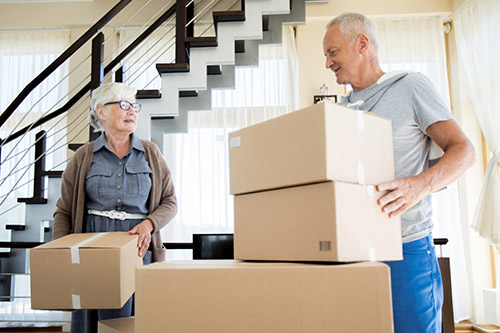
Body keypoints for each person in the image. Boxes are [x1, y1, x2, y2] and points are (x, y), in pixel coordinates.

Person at [323, 13, 475, 332]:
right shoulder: (338, 110)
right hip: (353, 251)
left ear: (362, 44)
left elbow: (464, 151)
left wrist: (417, 187)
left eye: (332, 52)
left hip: (406, 249)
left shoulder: (410, 87)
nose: (327, 63)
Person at [53, 82, 177, 333]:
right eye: (123, 105)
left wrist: (149, 224)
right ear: (101, 112)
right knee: (91, 322)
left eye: (134, 106)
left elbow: (170, 202)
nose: (132, 111)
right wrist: (62, 256)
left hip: (138, 250)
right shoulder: (84, 156)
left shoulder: (151, 153)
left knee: (131, 323)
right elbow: (64, 211)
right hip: (91, 250)